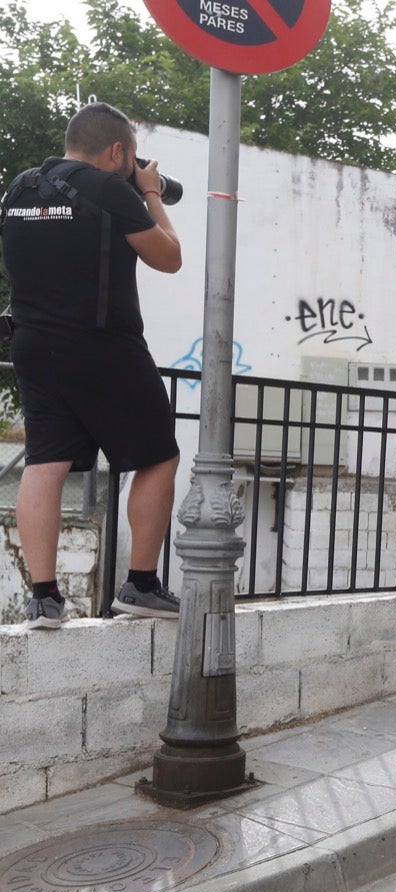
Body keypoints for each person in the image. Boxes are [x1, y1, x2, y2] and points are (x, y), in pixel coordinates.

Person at [1, 102, 183, 629]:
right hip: (103, 346)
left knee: (45, 462)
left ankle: (43, 598)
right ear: (117, 151)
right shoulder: (109, 189)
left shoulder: (19, 189)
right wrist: (149, 192)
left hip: (31, 345)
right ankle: (141, 584)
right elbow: (169, 257)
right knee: (159, 455)